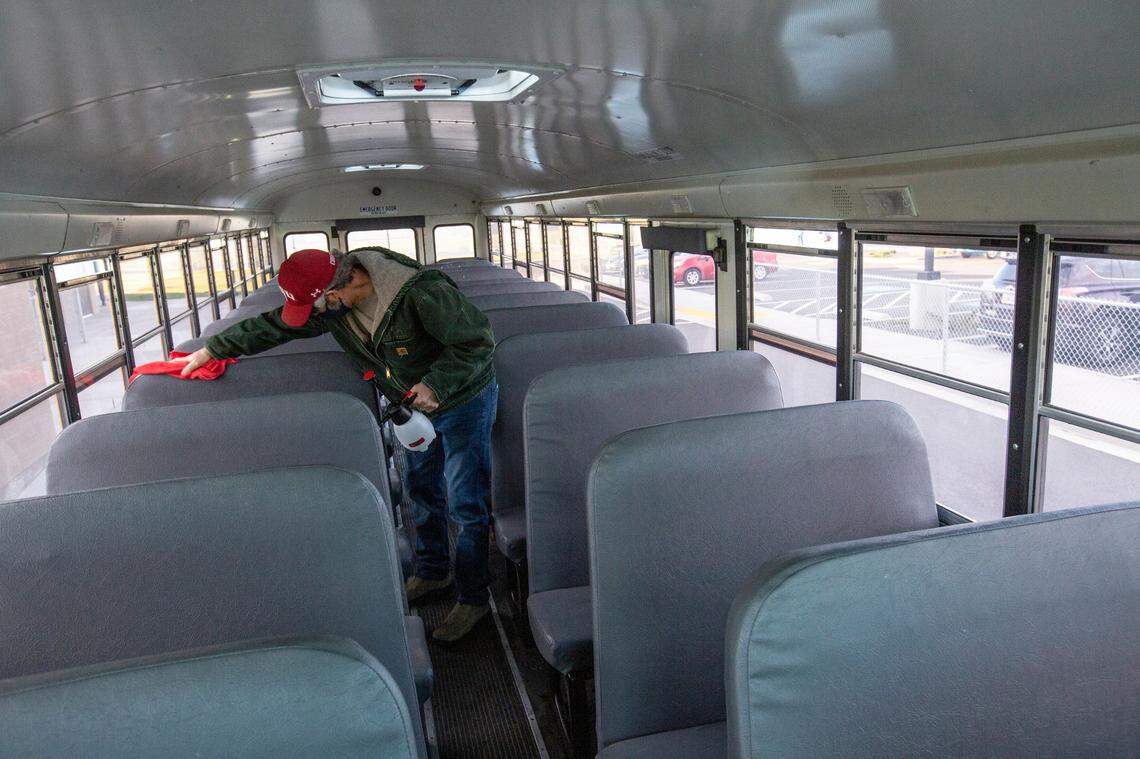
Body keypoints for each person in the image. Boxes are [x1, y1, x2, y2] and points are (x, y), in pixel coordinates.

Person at [176, 247, 498, 643]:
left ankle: (473, 598)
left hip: (464, 400)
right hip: (412, 407)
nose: (321, 312)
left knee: (466, 501)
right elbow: (276, 326)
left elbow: (477, 343)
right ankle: (434, 571)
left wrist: (436, 384)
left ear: (350, 280)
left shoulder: (422, 292)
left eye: (323, 303)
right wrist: (214, 349)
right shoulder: (332, 303)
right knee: (421, 491)